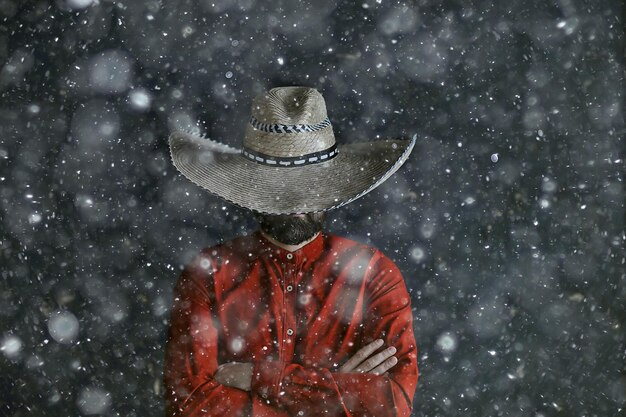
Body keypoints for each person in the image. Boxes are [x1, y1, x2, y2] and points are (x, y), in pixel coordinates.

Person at [164, 86, 419, 417]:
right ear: (252, 189)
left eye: (308, 186)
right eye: (281, 187)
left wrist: (259, 378)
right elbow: (188, 404)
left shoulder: (376, 274)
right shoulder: (209, 273)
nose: (296, 202)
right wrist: (336, 393)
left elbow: (393, 402)